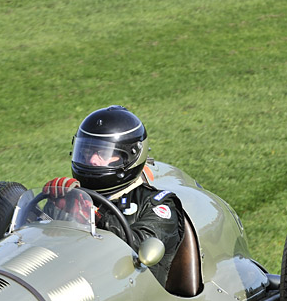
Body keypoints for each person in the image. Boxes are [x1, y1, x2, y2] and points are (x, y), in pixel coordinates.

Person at [43, 105, 184, 286]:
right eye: (86, 152)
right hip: (64, 285)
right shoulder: (71, 198)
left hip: (129, 297)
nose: (92, 160)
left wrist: (91, 215)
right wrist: (46, 212)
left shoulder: (158, 205)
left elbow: (137, 251)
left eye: (103, 153)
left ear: (131, 157)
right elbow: (40, 243)